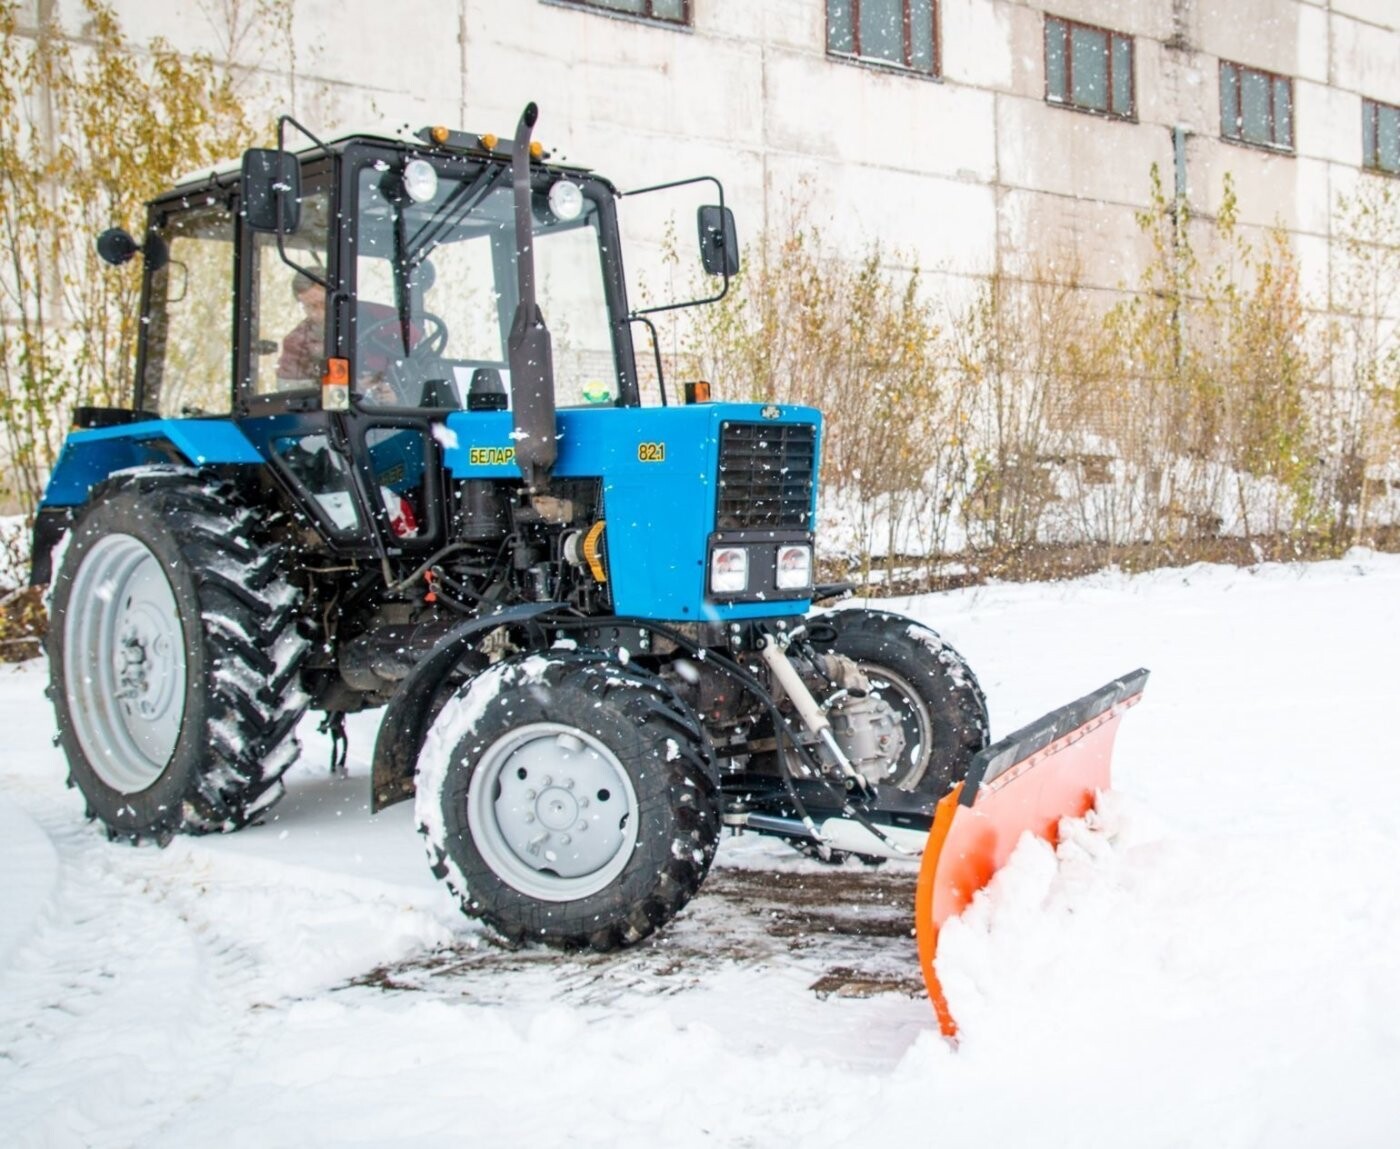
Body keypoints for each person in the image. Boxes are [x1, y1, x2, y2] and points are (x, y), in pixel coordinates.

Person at [276, 272, 327, 385]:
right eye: (310, 306)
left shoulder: (368, 323)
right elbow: (290, 389)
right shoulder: (296, 342)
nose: (318, 314)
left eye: (323, 304)